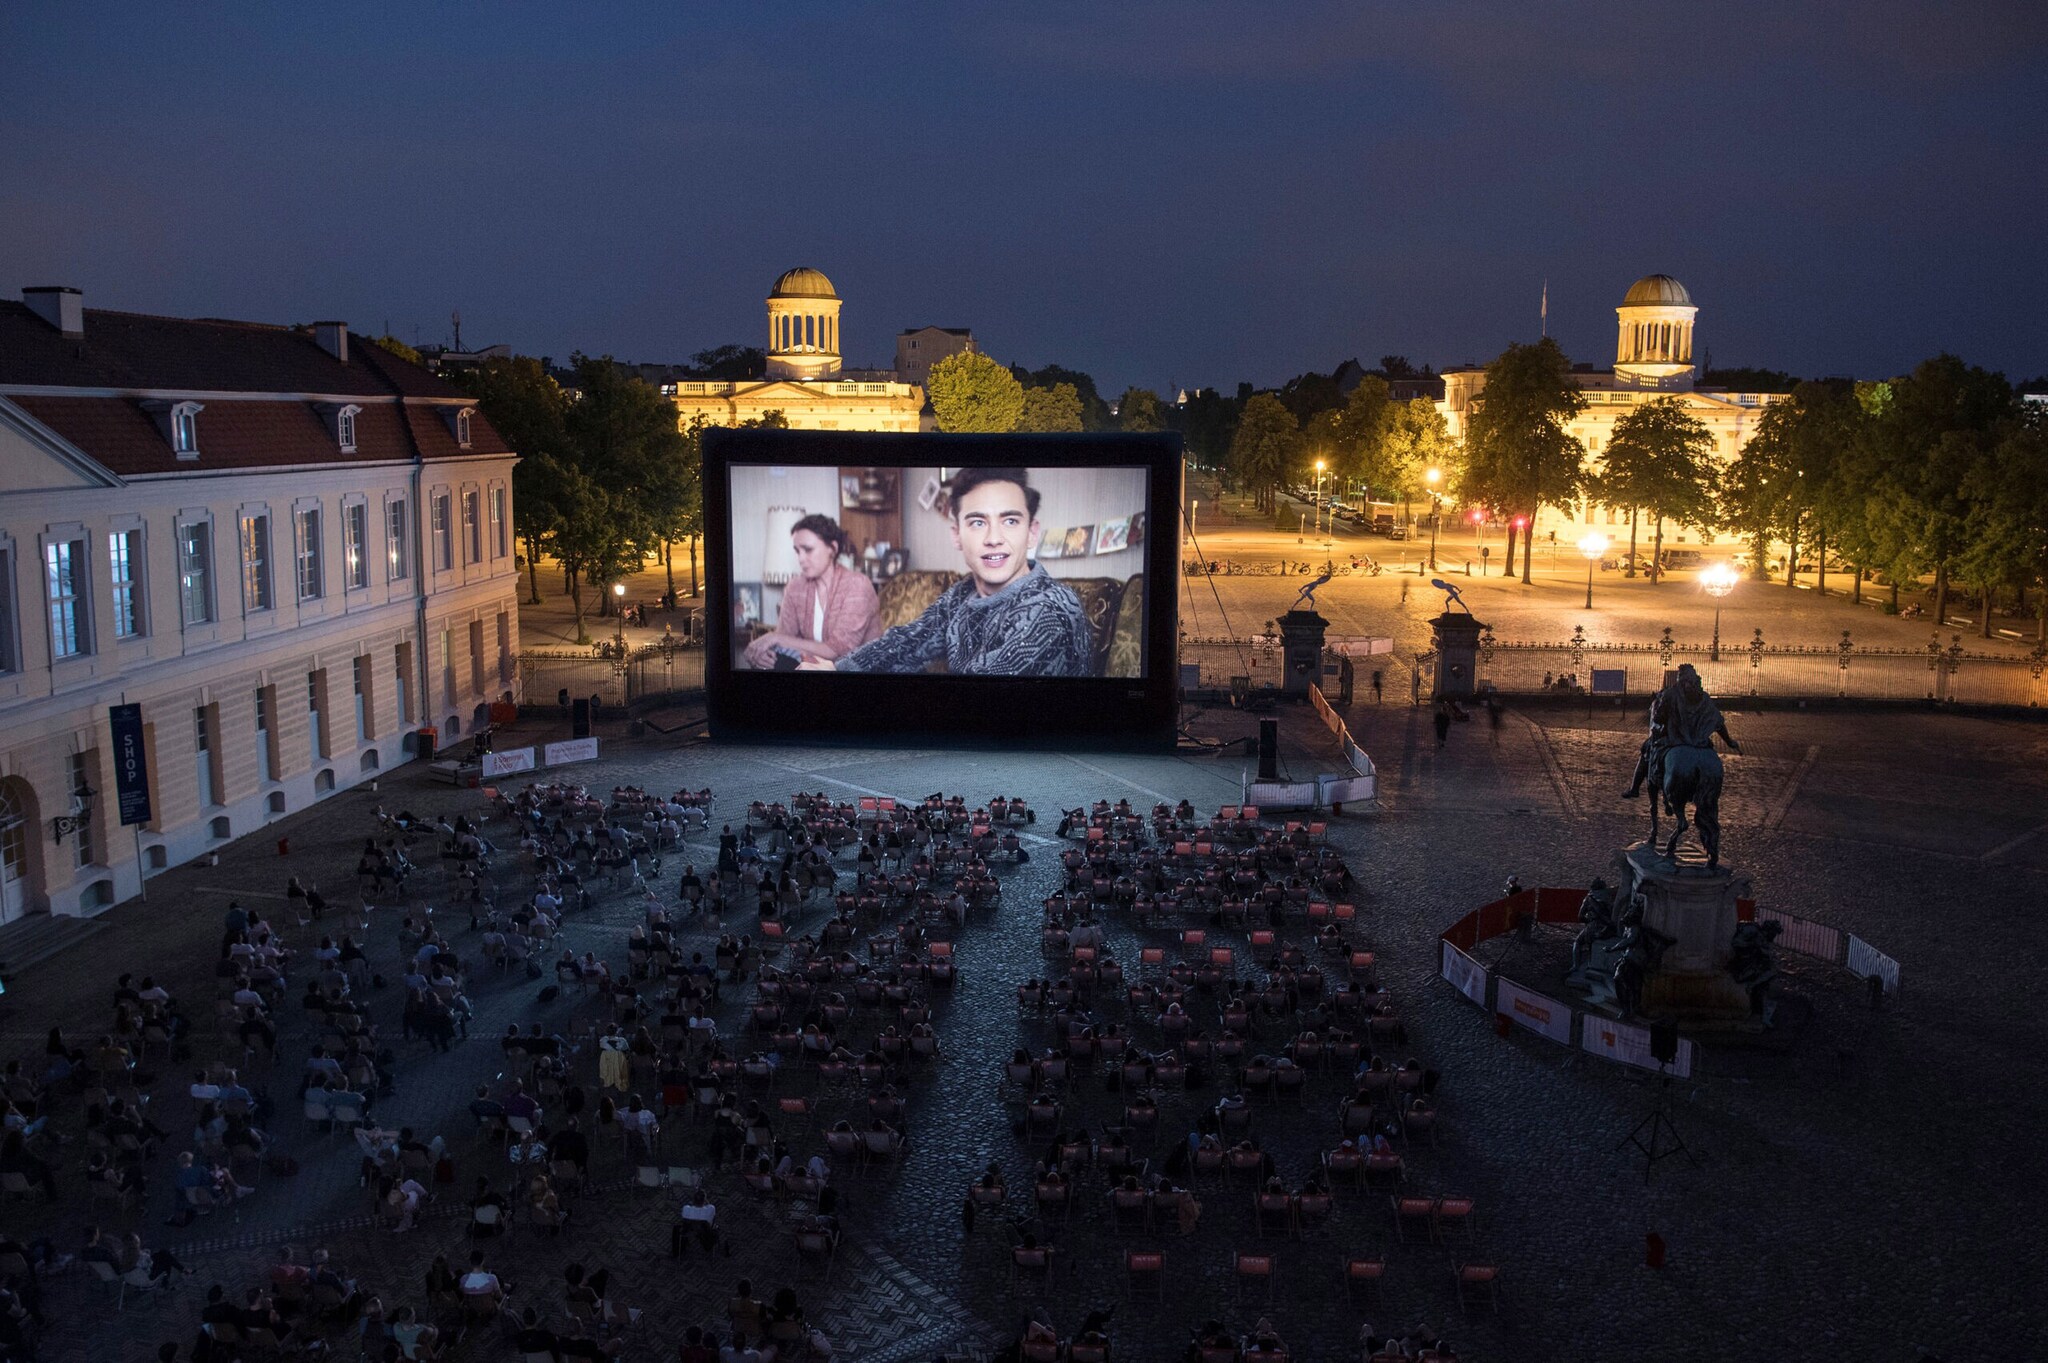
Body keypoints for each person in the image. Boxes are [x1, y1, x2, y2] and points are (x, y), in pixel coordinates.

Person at [802, 467, 1092, 677]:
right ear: (957, 535)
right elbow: (907, 641)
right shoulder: (962, 594)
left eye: (1011, 521)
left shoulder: (1049, 609)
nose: (994, 538)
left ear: (1031, 533)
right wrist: (837, 668)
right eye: (978, 522)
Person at [742, 514, 880, 669]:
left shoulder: (857, 585)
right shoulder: (795, 587)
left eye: (808, 550)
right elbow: (784, 639)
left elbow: (837, 650)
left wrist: (774, 638)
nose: (800, 558)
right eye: (797, 551)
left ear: (832, 549)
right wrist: (763, 656)